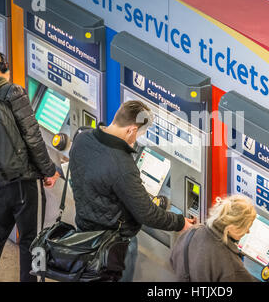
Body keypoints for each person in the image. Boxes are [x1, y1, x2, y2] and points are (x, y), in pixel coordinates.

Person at [69, 100, 194, 282]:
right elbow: (147, 214)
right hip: (113, 243)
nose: (135, 141)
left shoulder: (82, 138)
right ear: (131, 130)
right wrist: (181, 222)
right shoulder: (122, 165)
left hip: (83, 230)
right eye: (139, 134)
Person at [0, 52, 60, 282]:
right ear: (4, 66)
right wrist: (49, 170)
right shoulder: (13, 92)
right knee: (32, 241)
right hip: (23, 182)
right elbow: (33, 137)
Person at [170, 194, 259, 282]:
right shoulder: (230, 264)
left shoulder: (193, 231)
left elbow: (173, 260)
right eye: (247, 227)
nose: (248, 232)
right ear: (232, 228)